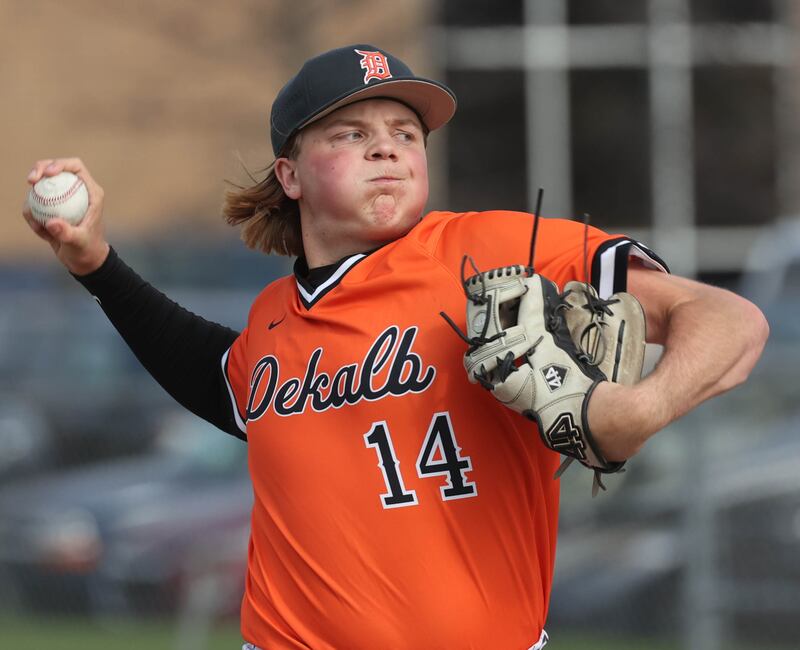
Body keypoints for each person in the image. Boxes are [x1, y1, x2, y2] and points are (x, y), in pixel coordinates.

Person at [23, 44, 768, 650]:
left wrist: (637, 408)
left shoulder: (498, 250)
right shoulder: (274, 322)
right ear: (290, 174)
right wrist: (95, 265)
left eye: (405, 133)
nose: (389, 148)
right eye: (352, 133)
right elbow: (211, 375)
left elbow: (730, 320)